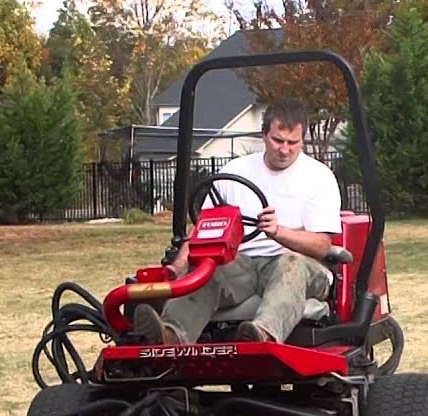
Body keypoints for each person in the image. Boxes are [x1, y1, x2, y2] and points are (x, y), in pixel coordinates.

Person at [132, 98, 343, 345]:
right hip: (242, 264)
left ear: (302, 140)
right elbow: (203, 230)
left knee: (291, 263)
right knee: (209, 267)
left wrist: (279, 233)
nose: (284, 149)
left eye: (292, 143)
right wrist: (176, 269)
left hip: (300, 266)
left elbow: (321, 245)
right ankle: (170, 336)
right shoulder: (235, 172)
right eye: (277, 140)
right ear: (264, 134)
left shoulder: (318, 177)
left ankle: (262, 335)